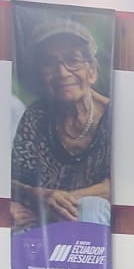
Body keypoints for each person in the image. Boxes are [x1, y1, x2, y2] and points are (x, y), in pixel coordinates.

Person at [8, 15, 113, 230]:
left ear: (91, 71)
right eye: (49, 63)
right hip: (40, 219)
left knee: (91, 207)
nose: (62, 72)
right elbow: (13, 179)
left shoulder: (115, 117)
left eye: (73, 60)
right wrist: (38, 195)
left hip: (99, 224)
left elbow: (117, 186)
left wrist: (56, 203)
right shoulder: (36, 117)